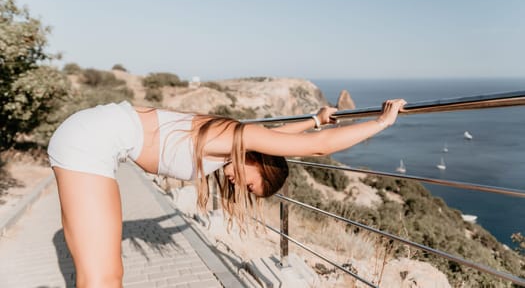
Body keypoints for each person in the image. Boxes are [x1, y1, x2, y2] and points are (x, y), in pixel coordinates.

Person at [47, 98, 406, 288]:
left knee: (102, 275)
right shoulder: (235, 139)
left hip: (96, 137)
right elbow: (316, 147)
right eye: (250, 184)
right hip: (94, 140)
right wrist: (380, 123)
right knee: (104, 279)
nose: (238, 187)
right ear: (257, 161)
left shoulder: (233, 142)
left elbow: (280, 137)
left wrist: (313, 119)